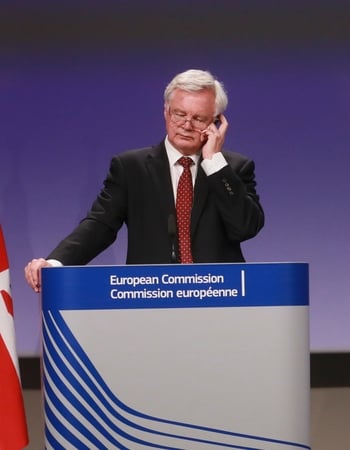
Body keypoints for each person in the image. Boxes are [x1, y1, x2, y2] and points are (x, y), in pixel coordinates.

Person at [24, 69, 265, 292]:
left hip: (221, 296)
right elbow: (101, 224)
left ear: (216, 122)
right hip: (150, 297)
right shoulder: (131, 168)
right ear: (166, 112)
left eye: (199, 118)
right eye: (179, 114)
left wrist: (213, 163)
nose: (186, 125)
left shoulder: (232, 169)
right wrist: (56, 263)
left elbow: (245, 227)